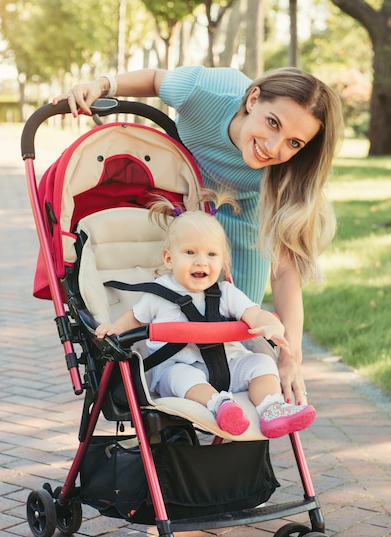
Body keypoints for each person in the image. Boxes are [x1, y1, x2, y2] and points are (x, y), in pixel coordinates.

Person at [54, 65, 344, 407]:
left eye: (293, 142)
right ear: (253, 99)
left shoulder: (288, 174)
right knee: (168, 309)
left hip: (244, 216)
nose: (273, 146)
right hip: (179, 201)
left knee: (230, 333)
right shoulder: (208, 91)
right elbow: (155, 80)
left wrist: (291, 356)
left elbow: (284, 272)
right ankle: (174, 405)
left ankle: (224, 429)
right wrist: (101, 84)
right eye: (273, 123)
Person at [95, 204, 316, 438]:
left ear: (222, 262)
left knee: (261, 363)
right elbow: (135, 317)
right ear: (169, 259)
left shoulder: (226, 293)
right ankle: (220, 405)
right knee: (178, 376)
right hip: (181, 368)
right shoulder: (158, 294)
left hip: (228, 366)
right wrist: (115, 328)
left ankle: (270, 408)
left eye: (211, 254)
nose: (201, 262)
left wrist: (270, 323)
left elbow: (251, 313)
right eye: (190, 253)